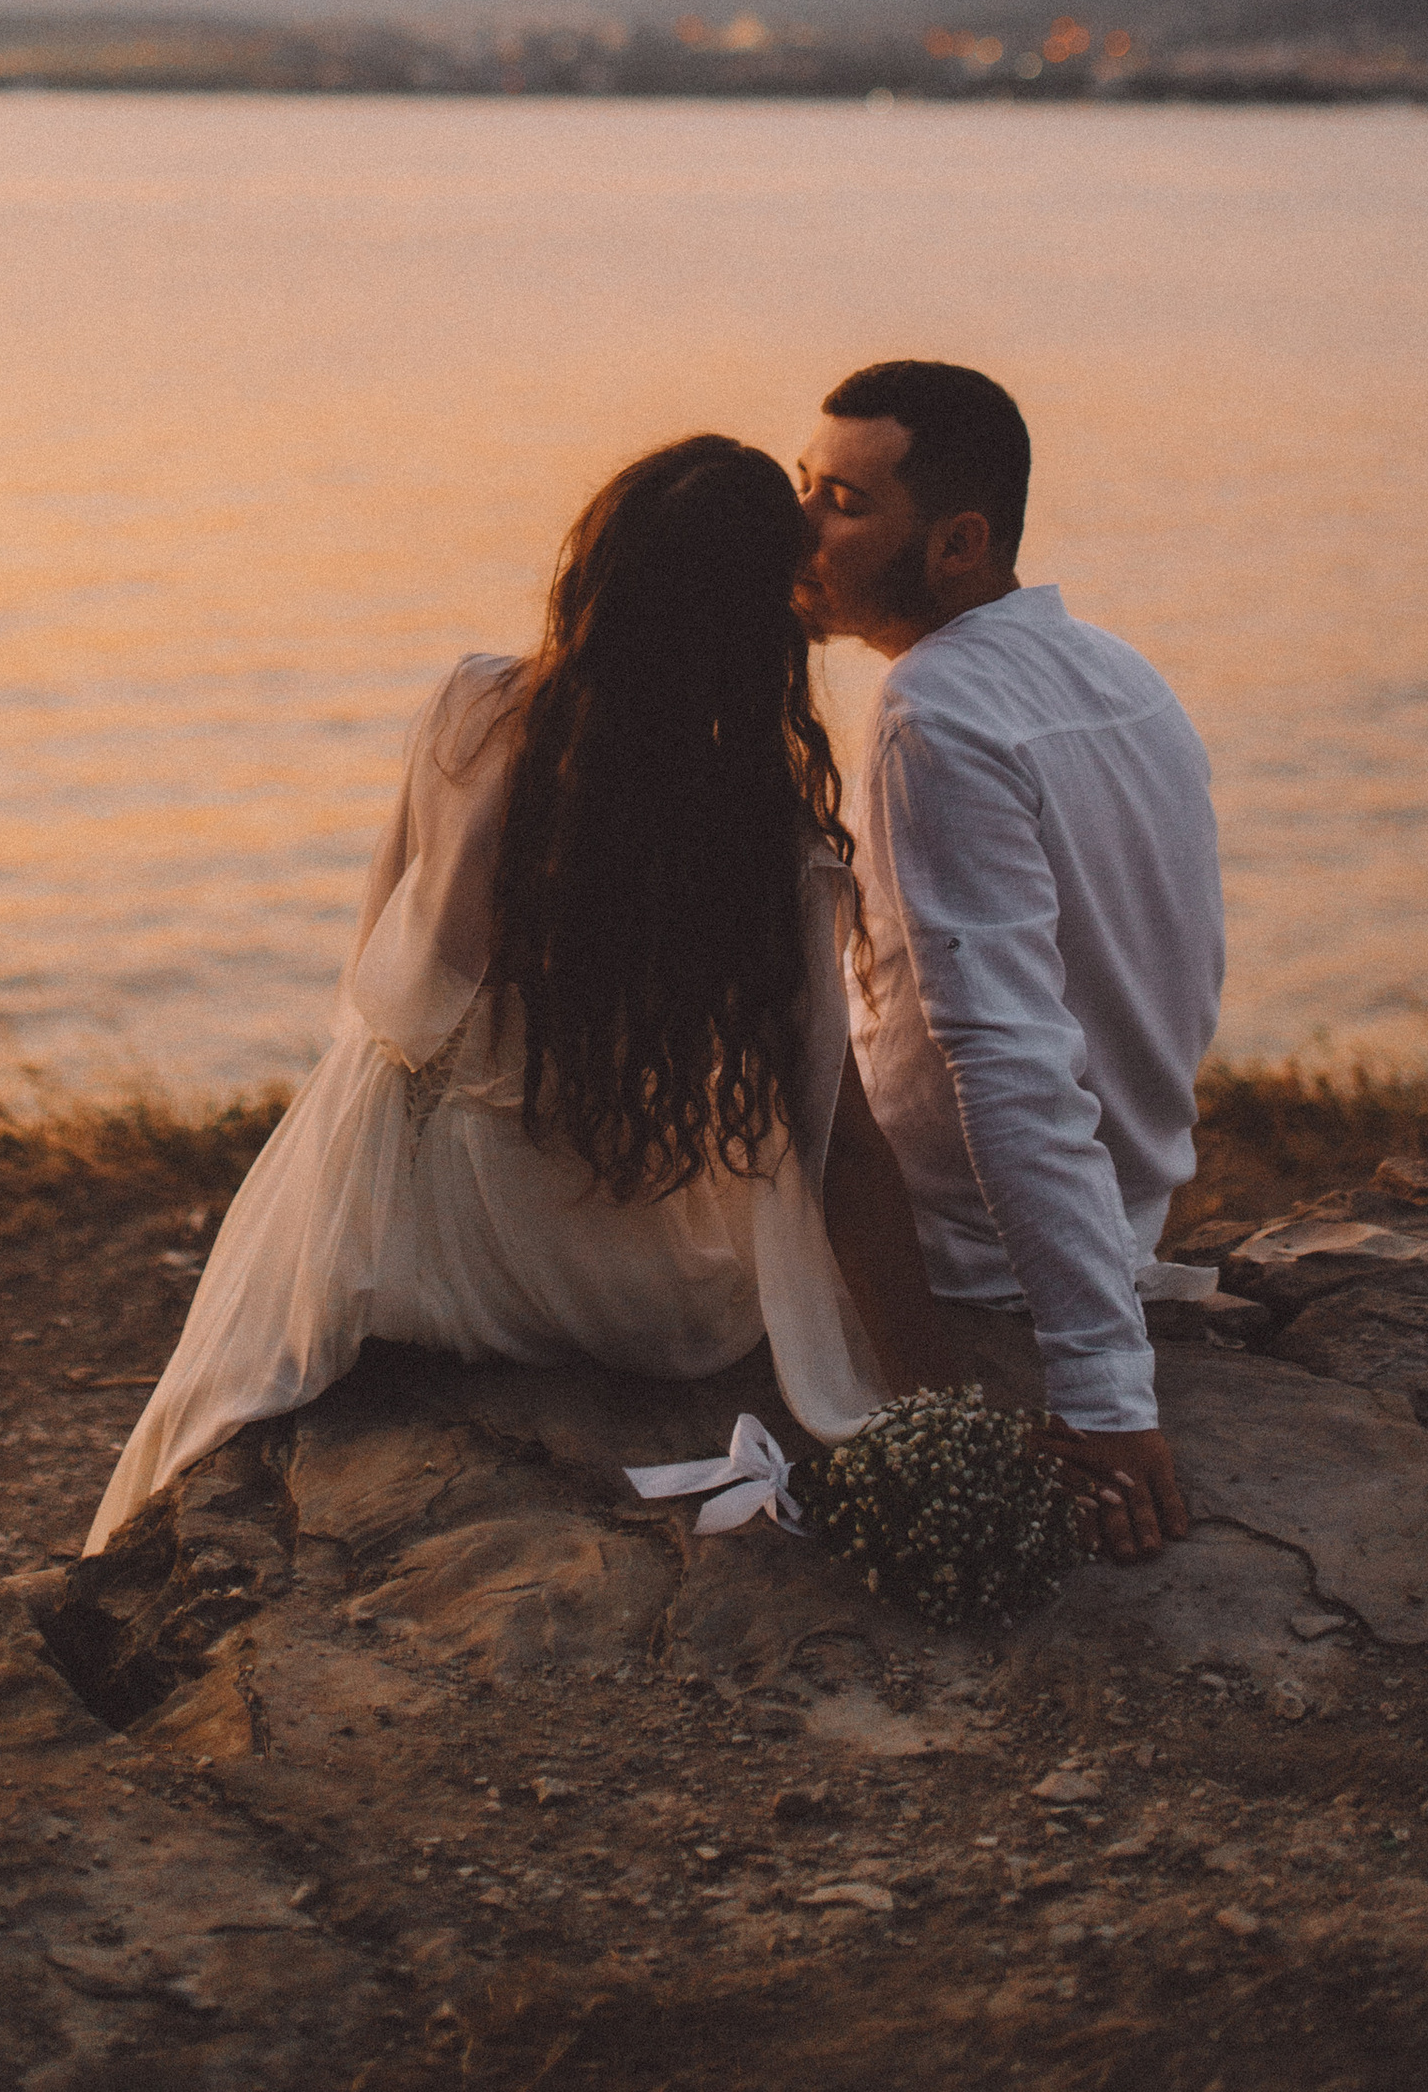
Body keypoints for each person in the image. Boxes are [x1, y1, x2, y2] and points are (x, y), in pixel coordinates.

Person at [86, 434, 955, 1552]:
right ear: (760, 633)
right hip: (639, 1300)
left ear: (591, 572)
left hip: (409, 1250)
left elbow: (383, 986)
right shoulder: (760, 831)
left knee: (366, 1116)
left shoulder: (468, 709)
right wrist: (947, 1404)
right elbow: (837, 1141)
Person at [795, 359, 1224, 1565]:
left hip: (956, 1247)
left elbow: (1012, 1061)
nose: (801, 527)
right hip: (1123, 1208)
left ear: (958, 540)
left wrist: (1101, 1387)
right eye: (802, 484)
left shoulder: (932, 714)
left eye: (843, 500)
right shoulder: (1123, 673)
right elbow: (1181, 974)